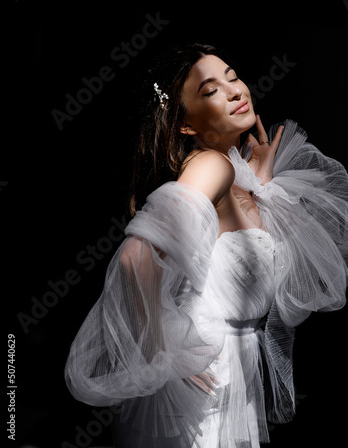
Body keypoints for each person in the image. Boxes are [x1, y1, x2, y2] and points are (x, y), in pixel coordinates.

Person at [64, 44, 348, 447]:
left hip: (234, 382)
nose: (235, 91)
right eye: (211, 90)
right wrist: (163, 355)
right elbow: (134, 259)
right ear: (185, 125)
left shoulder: (233, 174)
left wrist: (258, 181)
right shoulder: (210, 167)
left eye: (233, 76)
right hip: (204, 395)